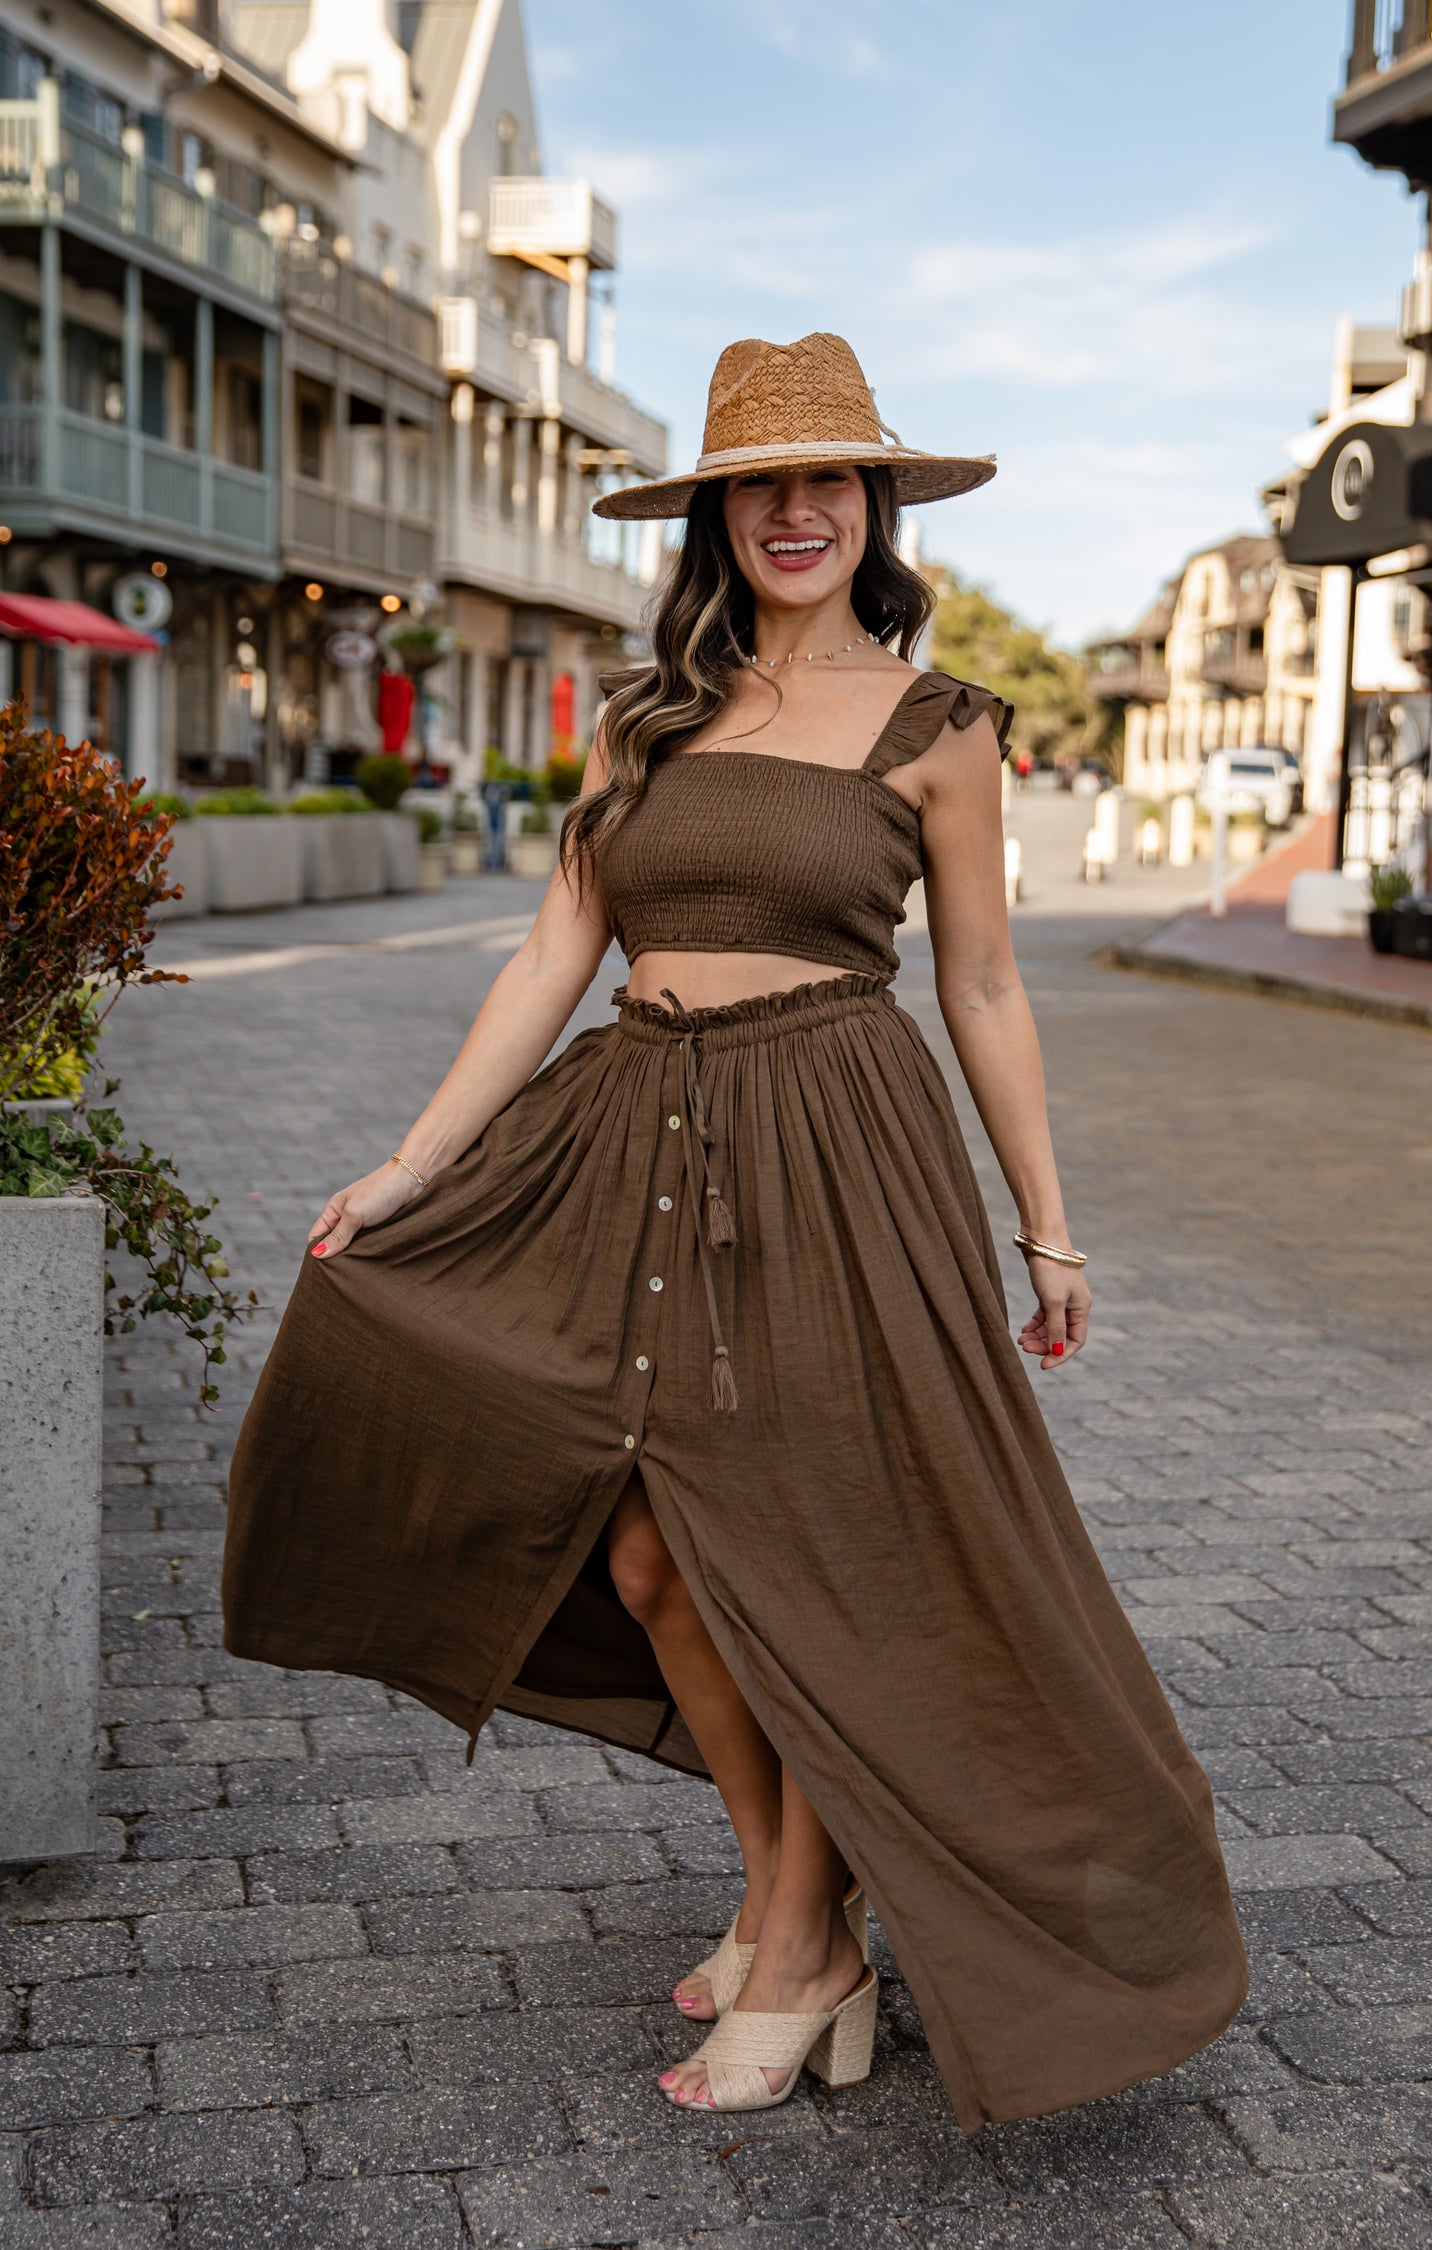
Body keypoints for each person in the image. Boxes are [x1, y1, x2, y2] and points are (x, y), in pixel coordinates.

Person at [223, 332, 1247, 2126]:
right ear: (713, 517)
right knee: (641, 1546)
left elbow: (990, 992)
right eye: (757, 485)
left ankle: (796, 1934)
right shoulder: (647, 719)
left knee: (815, 1545)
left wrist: (1051, 1231)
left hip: (838, 1157)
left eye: (826, 479)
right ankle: (808, 1911)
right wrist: (407, 1164)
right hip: (633, 1137)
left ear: (871, 508)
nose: (793, 512)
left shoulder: (944, 728)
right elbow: (555, 955)